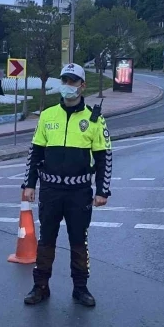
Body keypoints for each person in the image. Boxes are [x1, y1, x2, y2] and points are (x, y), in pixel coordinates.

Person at [22, 62, 113, 307]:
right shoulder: (48, 115)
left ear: (82, 86)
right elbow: (35, 153)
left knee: (78, 241)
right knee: (46, 240)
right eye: (64, 81)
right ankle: (40, 286)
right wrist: (29, 184)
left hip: (79, 193)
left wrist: (103, 190)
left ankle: (80, 288)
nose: (68, 86)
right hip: (50, 191)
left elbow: (105, 155)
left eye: (73, 81)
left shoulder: (94, 119)